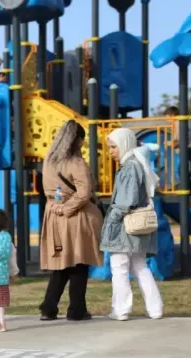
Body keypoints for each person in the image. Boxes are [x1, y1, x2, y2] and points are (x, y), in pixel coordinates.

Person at [38, 120, 104, 321]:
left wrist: (58, 206)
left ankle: (49, 307)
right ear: (77, 140)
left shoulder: (48, 159)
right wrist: (67, 207)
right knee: (79, 261)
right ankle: (76, 309)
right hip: (74, 215)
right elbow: (84, 193)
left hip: (52, 213)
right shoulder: (75, 162)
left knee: (62, 263)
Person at [101, 128, 164, 321]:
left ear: (124, 144)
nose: (111, 151)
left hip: (124, 225)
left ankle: (121, 309)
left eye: (113, 147)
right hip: (135, 225)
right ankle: (155, 309)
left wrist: (111, 219)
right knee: (140, 267)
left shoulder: (129, 167)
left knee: (119, 267)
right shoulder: (137, 164)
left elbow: (126, 200)